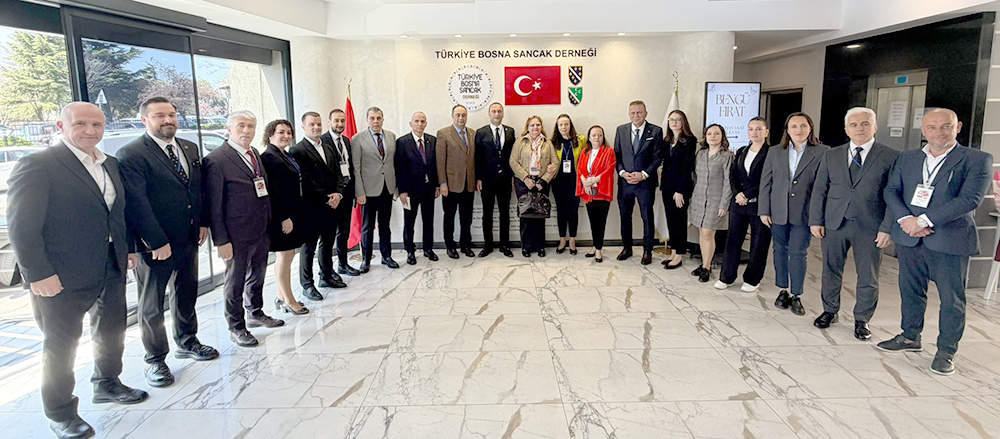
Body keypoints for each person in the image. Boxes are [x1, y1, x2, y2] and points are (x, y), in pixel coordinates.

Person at [7, 102, 147, 439]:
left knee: (112, 329)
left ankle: (107, 383)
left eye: (97, 124)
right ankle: (61, 413)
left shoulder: (108, 163)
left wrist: (127, 249)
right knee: (61, 345)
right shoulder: (38, 164)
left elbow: (117, 213)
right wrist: (37, 274)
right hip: (59, 274)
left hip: (110, 264)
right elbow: (21, 226)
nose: (90, 131)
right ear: (61, 126)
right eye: (81, 123)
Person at [877, 108, 992, 376]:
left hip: (949, 239)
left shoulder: (977, 159)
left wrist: (923, 221)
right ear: (923, 130)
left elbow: (969, 200)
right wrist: (906, 220)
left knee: (951, 298)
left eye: (946, 126)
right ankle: (910, 336)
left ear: (958, 127)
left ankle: (946, 351)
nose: (939, 132)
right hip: (909, 237)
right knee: (910, 290)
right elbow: (891, 191)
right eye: (931, 127)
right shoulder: (908, 158)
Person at [117, 97, 218, 390]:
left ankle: (187, 341)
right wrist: (155, 241)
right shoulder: (132, 153)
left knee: (186, 292)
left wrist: (202, 222)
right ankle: (155, 359)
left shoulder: (189, 147)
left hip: (189, 237)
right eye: (159, 115)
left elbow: (197, 189)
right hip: (156, 244)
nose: (168, 120)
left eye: (172, 114)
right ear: (144, 120)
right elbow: (136, 203)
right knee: (152, 304)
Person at [809, 107, 899, 340]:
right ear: (846, 129)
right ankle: (830, 310)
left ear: (875, 127)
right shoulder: (831, 155)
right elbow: (820, 189)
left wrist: (887, 227)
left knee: (868, 275)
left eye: (865, 124)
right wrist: (816, 220)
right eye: (854, 124)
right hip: (834, 223)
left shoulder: (891, 156)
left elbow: (895, 195)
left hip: (871, 225)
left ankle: (862, 319)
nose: (860, 128)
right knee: (830, 270)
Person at [204, 110, 285, 348]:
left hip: (260, 228)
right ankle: (236, 326)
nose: (246, 130)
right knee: (235, 281)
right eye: (241, 126)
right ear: (229, 129)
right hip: (235, 234)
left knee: (258, 275)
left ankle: (255, 312)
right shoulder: (216, 159)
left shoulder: (254, 154)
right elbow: (214, 204)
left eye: (250, 126)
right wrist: (221, 240)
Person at [759, 112, 829, 316]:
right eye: (794, 126)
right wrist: (764, 210)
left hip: (805, 212)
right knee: (779, 250)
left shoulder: (823, 152)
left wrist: (818, 217)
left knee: (798, 252)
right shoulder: (775, 151)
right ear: (787, 130)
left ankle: (796, 293)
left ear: (810, 128)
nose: (799, 130)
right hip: (778, 210)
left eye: (803, 126)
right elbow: (766, 182)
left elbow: (824, 186)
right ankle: (783, 289)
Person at [289, 111, 347, 302]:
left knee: (327, 243)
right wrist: (326, 197)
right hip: (312, 207)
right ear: (303, 127)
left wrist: (338, 193)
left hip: (332, 204)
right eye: (312, 124)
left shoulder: (328, 147)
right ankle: (307, 285)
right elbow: (305, 181)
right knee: (309, 247)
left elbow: (338, 173)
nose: (316, 127)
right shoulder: (297, 150)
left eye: (318, 124)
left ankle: (326, 276)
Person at [715, 117, 772, 293]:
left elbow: (768, 180)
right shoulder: (741, 151)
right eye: (751, 129)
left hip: (760, 205)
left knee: (759, 242)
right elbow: (733, 175)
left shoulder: (772, 153)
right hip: (738, 204)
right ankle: (727, 276)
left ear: (766, 132)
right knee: (733, 240)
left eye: (759, 129)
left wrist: (747, 194)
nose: (755, 132)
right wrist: (737, 193)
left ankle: (752, 279)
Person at [260, 119, 309, 315]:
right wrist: (283, 217)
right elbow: (273, 192)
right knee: (285, 256)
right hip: (282, 215)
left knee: (288, 255)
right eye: (281, 132)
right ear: (270, 134)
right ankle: (289, 300)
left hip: (293, 212)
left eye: (289, 132)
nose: (286, 136)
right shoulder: (268, 158)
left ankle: (281, 297)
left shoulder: (285, 155)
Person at [614, 100, 663, 265]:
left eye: (639, 112)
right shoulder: (621, 130)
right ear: (629, 114)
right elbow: (617, 156)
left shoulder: (656, 131)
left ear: (645, 113)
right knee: (625, 217)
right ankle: (626, 248)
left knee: (647, 217)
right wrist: (622, 173)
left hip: (645, 184)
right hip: (625, 183)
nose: (636, 116)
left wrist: (643, 174)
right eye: (633, 113)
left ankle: (647, 251)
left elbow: (657, 157)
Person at [351, 106, 399, 272]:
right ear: (367, 120)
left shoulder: (391, 136)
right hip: (368, 191)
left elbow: (393, 163)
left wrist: (396, 188)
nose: (376, 121)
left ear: (383, 119)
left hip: (387, 187)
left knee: (385, 225)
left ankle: (387, 256)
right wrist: (359, 192)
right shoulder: (358, 139)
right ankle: (366, 259)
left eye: (379, 118)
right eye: (372, 118)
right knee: (367, 227)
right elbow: (356, 168)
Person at [687, 124, 734, 283]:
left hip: (715, 200)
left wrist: (724, 204)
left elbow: (728, 182)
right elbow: (694, 177)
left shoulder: (727, 156)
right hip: (699, 198)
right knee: (702, 233)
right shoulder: (701, 154)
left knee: (708, 233)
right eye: (709, 134)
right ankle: (703, 263)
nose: (713, 136)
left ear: (722, 136)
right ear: (705, 137)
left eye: (716, 133)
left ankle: (707, 267)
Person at [395, 112, 440, 265]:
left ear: (426, 124)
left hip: (429, 189)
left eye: (422, 121)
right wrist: (402, 191)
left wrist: (437, 185)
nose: (419, 124)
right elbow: (400, 168)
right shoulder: (402, 142)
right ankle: (410, 251)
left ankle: (428, 249)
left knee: (428, 221)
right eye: (416, 121)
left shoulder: (432, 141)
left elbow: (435, 165)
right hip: (410, 191)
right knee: (409, 223)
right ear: (411, 123)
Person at [320, 109, 361, 277]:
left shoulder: (346, 140)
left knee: (344, 231)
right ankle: (326, 272)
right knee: (327, 236)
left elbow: (350, 166)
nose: (340, 124)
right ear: (329, 122)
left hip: (347, 192)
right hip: (331, 195)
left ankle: (343, 264)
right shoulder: (322, 141)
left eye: (342, 121)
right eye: (336, 120)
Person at [510, 116, 558, 257]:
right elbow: (513, 162)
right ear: (528, 127)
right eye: (532, 125)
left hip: (542, 183)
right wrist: (526, 178)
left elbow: (555, 162)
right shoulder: (520, 142)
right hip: (523, 183)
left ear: (541, 127)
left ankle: (540, 246)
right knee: (526, 215)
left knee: (540, 215)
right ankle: (526, 246)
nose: (535, 127)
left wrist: (544, 180)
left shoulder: (547, 143)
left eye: (538, 125)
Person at [475, 102, 516, 258]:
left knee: (504, 213)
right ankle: (488, 246)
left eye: (499, 111)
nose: (497, 114)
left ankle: (505, 245)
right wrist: (478, 178)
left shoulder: (510, 131)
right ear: (489, 114)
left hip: (505, 179)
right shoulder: (481, 132)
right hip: (487, 180)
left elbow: (513, 156)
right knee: (487, 213)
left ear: (503, 113)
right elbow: (477, 157)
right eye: (494, 111)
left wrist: (512, 176)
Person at [436, 104, 477, 259]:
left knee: (466, 218)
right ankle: (450, 246)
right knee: (449, 217)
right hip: (451, 184)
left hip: (469, 183)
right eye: (458, 115)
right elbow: (440, 161)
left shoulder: (472, 133)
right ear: (452, 116)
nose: (461, 118)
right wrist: (442, 183)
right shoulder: (443, 134)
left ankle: (465, 245)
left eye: (463, 115)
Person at [660, 110, 697, 269]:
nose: (674, 122)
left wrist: (680, 190)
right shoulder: (666, 141)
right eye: (671, 120)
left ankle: (680, 254)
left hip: (680, 189)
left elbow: (687, 167)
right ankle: (674, 251)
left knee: (680, 221)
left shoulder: (689, 141)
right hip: (667, 187)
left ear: (683, 122)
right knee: (671, 220)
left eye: (678, 120)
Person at [576, 125, 617, 262]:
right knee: (592, 221)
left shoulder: (609, 152)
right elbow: (580, 169)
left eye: (600, 135)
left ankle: (599, 249)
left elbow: (609, 170)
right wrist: (584, 182)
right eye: (594, 135)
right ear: (589, 137)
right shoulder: (585, 152)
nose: (597, 138)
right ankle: (594, 246)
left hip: (602, 192)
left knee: (600, 222)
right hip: (589, 192)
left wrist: (594, 180)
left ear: (603, 137)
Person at [552, 114, 585, 254]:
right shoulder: (553, 143)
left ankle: (572, 240)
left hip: (575, 182)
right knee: (561, 211)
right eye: (561, 124)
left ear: (570, 125)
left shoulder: (580, 140)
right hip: (558, 182)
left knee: (573, 211)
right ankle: (562, 240)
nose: (564, 127)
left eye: (566, 124)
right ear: (557, 127)